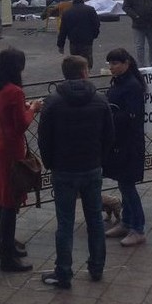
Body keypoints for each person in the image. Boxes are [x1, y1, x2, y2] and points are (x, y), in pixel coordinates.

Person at [37, 55, 115, 289]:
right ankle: (97, 266)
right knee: (94, 220)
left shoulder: (53, 101)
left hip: (63, 169)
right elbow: (109, 136)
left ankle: (64, 272)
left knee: (65, 223)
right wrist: (99, 159)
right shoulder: (100, 100)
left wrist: (50, 163)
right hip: (91, 167)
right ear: (84, 73)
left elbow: (44, 138)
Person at [0, 47, 41, 273]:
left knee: (3, 197)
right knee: (10, 200)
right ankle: (8, 257)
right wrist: (34, 109)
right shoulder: (15, 92)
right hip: (12, 148)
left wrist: (23, 109)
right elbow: (21, 124)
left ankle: (4, 246)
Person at [102, 48, 147, 247]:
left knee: (128, 186)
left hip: (130, 143)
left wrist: (110, 114)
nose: (112, 68)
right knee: (123, 183)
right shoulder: (120, 82)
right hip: (118, 142)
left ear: (126, 63)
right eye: (110, 64)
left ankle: (138, 228)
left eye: (115, 63)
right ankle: (127, 222)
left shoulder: (132, 86)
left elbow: (131, 115)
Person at [56, 0, 100, 69]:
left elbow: (63, 30)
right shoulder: (90, 10)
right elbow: (96, 24)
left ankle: (77, 76)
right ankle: (86, 75)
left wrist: (60, 45)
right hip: (87, 41)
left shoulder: (67, 12)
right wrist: (94, 35)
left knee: (75, 62)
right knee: (86, 61)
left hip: (74, 42)